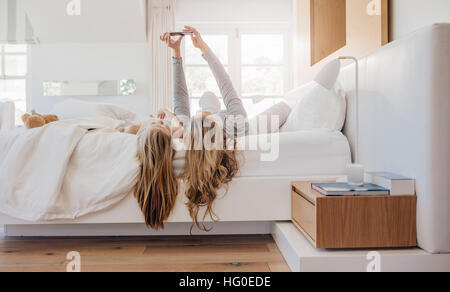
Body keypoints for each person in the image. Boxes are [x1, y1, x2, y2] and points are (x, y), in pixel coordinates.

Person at [160, 26, 245, 231]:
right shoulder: (235, 124)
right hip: (216, 114)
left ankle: (206, 106)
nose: (198, 116)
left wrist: (176, 53)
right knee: (211, 98)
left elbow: (180, 99)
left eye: (198, 116)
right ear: (222, 131)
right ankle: (209, 106)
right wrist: (204, 49)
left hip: (201, 119)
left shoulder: (191, 128)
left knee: (201, 101)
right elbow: (226, 86)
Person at [133, 121, 179, 230]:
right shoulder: (171, 131)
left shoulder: (138, 130)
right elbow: (180, 127)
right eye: (159, 125)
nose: (160, 122)